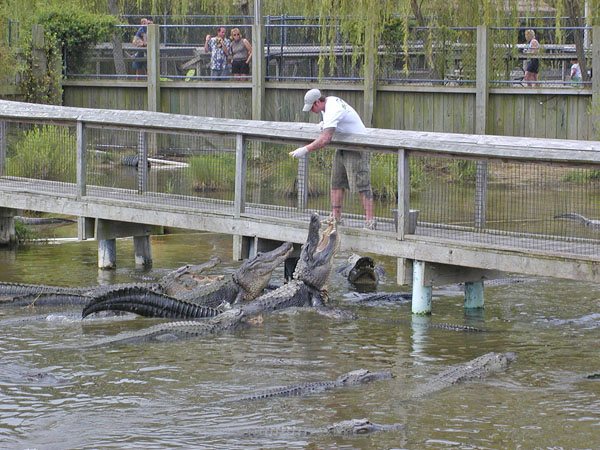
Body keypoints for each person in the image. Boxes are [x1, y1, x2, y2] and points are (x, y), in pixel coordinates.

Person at [289, 89, 376, 230]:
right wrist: (323, 124)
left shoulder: (333, 108)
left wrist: (304, 150)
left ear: (318, 102)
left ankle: (370, 221)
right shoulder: (327, 105)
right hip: (342, 145)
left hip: (358, 146)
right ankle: (336, 218)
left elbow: (325, 139)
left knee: (362, 184)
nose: (311, 110)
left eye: (312, 107)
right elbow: (331, 126)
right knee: (336, 181)